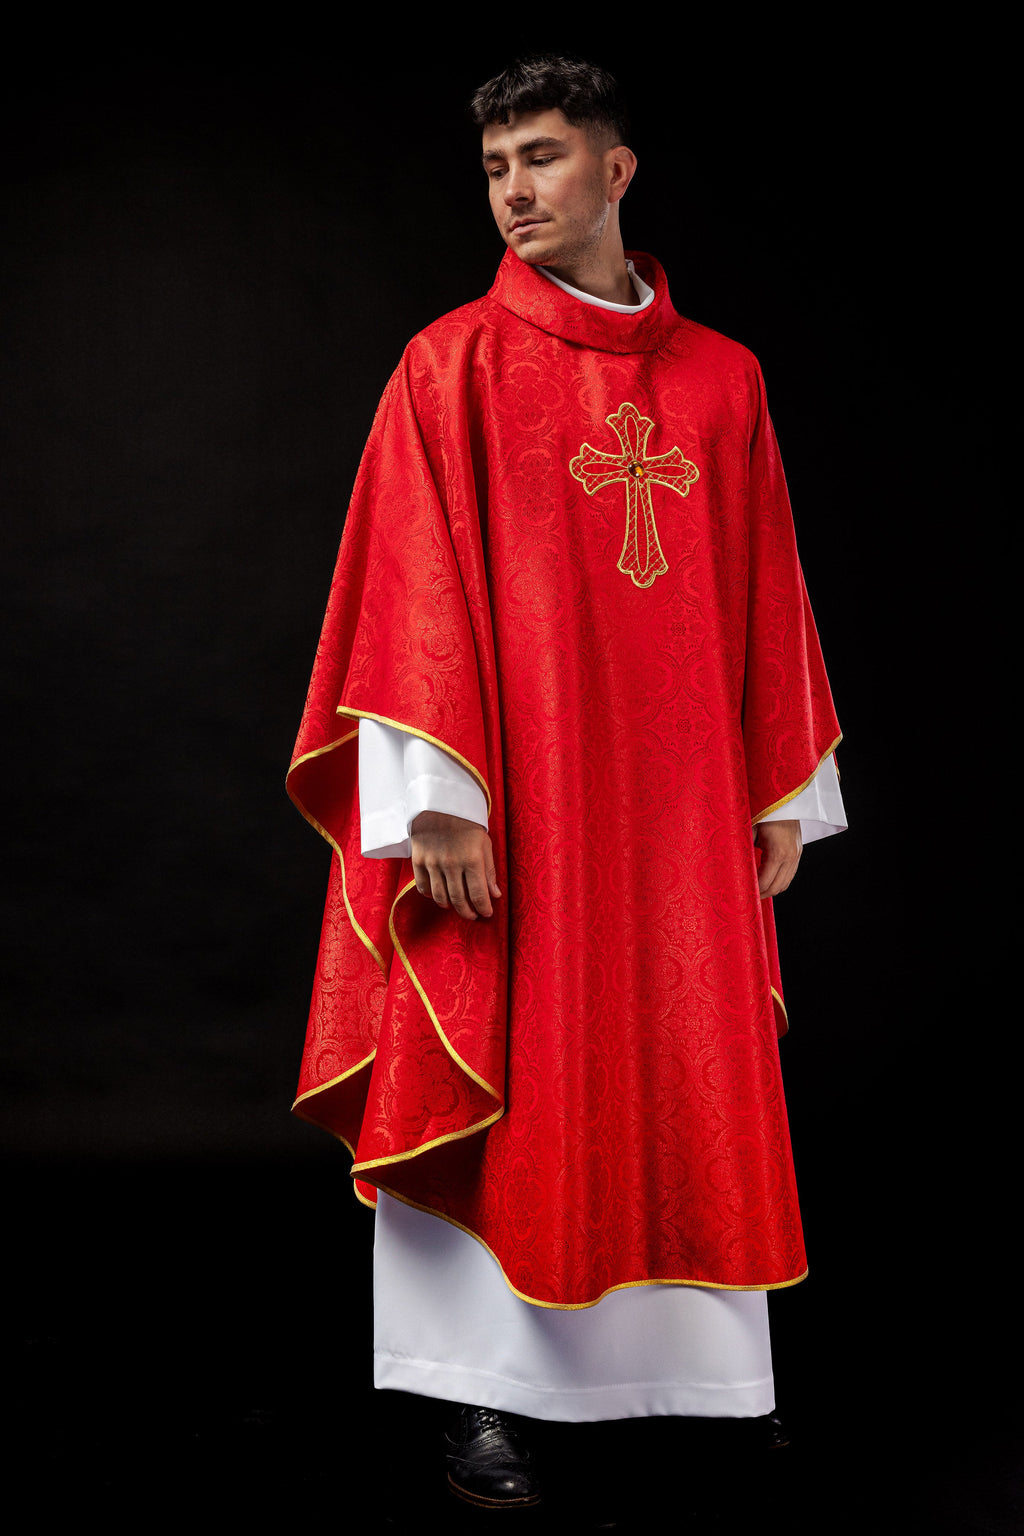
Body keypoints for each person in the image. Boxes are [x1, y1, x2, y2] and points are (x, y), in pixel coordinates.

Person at [287, 54, 846, 1511]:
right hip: (514, 794)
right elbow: (407, 592)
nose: (514, 191)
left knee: (685, 1049)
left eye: (541, 157)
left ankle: (703, 1381)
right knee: (512, 1043)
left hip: (677, 804)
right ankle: (488, 1392)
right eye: (495, 168)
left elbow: (766, 583)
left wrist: (780, 788)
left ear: (617, 169)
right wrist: (438, 797)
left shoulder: (724, 378)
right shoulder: (451, 365)